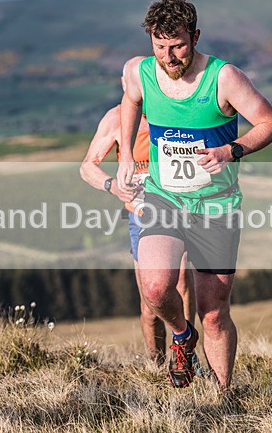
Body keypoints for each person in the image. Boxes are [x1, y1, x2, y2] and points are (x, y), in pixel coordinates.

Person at [117, 0, 272, 391]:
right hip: (163, 198)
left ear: (194, 37)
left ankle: (224, 397)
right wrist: (125, 155)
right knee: (156, 289)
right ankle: (181, 336)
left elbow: (270, 123)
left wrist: (232, 150)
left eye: (177, 46)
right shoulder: (138, 72)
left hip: (215, 206)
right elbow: (130, 101)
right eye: (160, 46)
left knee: (212, 312)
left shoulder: (224, 78)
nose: (169, 56)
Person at [80, 57, 197, 366]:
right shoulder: (115, 119)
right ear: (124, 85)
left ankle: (185, 354)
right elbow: (87, 166)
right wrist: (111, 185)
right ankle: (156, 363)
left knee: (182, 282)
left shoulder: (174, 111)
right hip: (140, 214)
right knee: (150, 299)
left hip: (179, 208)